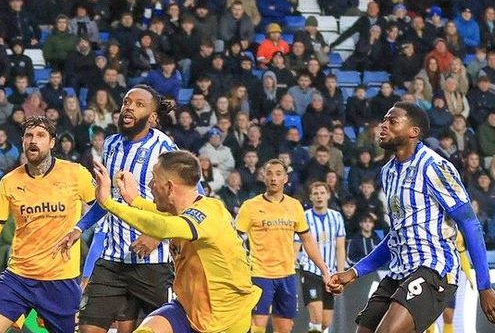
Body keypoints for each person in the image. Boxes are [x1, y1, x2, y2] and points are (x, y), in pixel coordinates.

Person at [328, 102, 495, 332]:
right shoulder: (388, 172)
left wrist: (485, 286)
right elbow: (395, 236)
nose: (383, 126)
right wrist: (354, 272)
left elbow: (469, 223)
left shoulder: (435, 167)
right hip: (399, 272)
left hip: (434, 270)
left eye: (392, 121)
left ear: (413, 132)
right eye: (383, 121)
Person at [80, 149, 262, 333]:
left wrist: (108, 203)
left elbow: (163, 226)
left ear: (169, 187)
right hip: (188, 309)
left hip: (227, 321)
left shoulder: (208, 214)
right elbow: (162, 215)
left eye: (154, 179)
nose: (150, 185)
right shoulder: (189, 210)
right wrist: (133, 200)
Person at [54, 85, 179, 333]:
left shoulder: (166, 149)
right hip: (112, 260)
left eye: (139, 104)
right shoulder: (110, 145)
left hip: (152, 263)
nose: (129, 107)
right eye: (126, 102)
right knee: (88, 329)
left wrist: (157, 235)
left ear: (153, 118)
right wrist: (79, 227)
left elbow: (188, 204)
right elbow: (107, 200)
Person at [0, 116, 96, 333]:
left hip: (60, 280)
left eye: (40, 135)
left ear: (52, 142)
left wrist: (80, 227)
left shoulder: (75, 173)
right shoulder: (9, 182)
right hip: (18, 276)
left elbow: (101, 206)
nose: (33, 140)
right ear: (22, 142)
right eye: (29, 135)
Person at [236, 160, 332, 333]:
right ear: (263, 177)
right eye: (269, 173)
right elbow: (234, 239)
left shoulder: (294, 206)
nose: (274, 178)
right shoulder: (250, 207)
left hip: (287, 275)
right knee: (258, 324)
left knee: (285, 327)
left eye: (278, 174)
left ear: (286, 178)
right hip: (260, 274)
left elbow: (308, 241)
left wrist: (324, 270)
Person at [298, 181, 346, 333]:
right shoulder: (304, 218)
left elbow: (340, 247)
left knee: (325, 322)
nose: (319, 196)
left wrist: (341, 273)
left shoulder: (336, 217)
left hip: (330, 274)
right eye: (315, 194)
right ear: (310, 197)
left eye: (322, 193)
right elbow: (296, 243)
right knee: (317, 317)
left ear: (328, 195)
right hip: (310, 270)